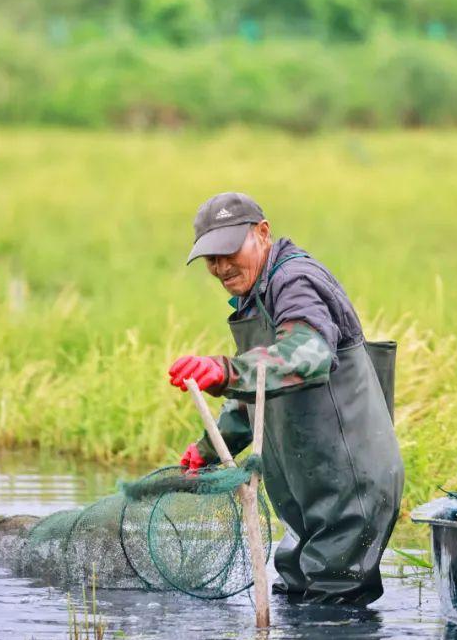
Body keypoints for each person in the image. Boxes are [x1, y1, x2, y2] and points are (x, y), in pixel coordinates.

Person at [167, 191, 404, 605]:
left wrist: (225, 370)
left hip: (349, 486)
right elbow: (257, 395)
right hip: (308, 491)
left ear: (262, 233)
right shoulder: (251, 292)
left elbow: (307, 354)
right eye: (211, 258)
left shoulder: (294, 281)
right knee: (295, 594)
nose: (221, 267)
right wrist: (208, 448)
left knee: (334, 616)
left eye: (228, 251)